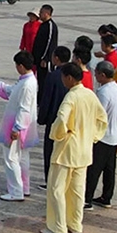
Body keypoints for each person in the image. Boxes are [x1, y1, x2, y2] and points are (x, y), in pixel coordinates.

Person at [41, 64, 107, 233]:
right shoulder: (90, 95)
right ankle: (75, 224)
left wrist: (57, 135)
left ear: (69, 78)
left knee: (56, 189)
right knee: (77, 190)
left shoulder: (71, 97)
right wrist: (92, 136)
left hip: (67, 150)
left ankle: (58, 226)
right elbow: (102, 119)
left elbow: (61, 119)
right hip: (84, 150)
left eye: (64, 77)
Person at [0, 51, 40, 201]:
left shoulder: (27, 85)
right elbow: (12, 91)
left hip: (17, 125)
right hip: (24, 125)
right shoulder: (28, 81)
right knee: (23, 157)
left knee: (11, 157)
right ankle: (24, 187)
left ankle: (16, 191)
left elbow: (24, 108)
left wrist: (17, 128)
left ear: (20, 66)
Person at [85, 62, 117, 210]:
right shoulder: (116, 88)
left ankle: (87, 199)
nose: (95, 76)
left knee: (93, 170)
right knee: (109, 169)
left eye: (97, 74)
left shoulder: (103, 93)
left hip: (103, 136)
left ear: (103, 75)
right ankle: (106, 197)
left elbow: (98, 114)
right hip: (115, 136)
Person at [36, 46, 71, 189]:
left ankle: (50, 179)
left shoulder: (53, 76)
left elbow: (47, 99)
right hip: (69, 120)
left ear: (56, 58)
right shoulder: (73, 74)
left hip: (54, 119)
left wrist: (41, 118)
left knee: (50, 151)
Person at [31, 4, 59, 103]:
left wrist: (45, 58)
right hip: (39, 59)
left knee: (45, 80)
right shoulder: (42, 25)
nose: (39, 14)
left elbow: (49, 43)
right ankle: (40, 99)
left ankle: (45, 100)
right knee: (40, 80)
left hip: (45, 60)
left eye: (41, 13)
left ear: (47, 13)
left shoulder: (50, 26)